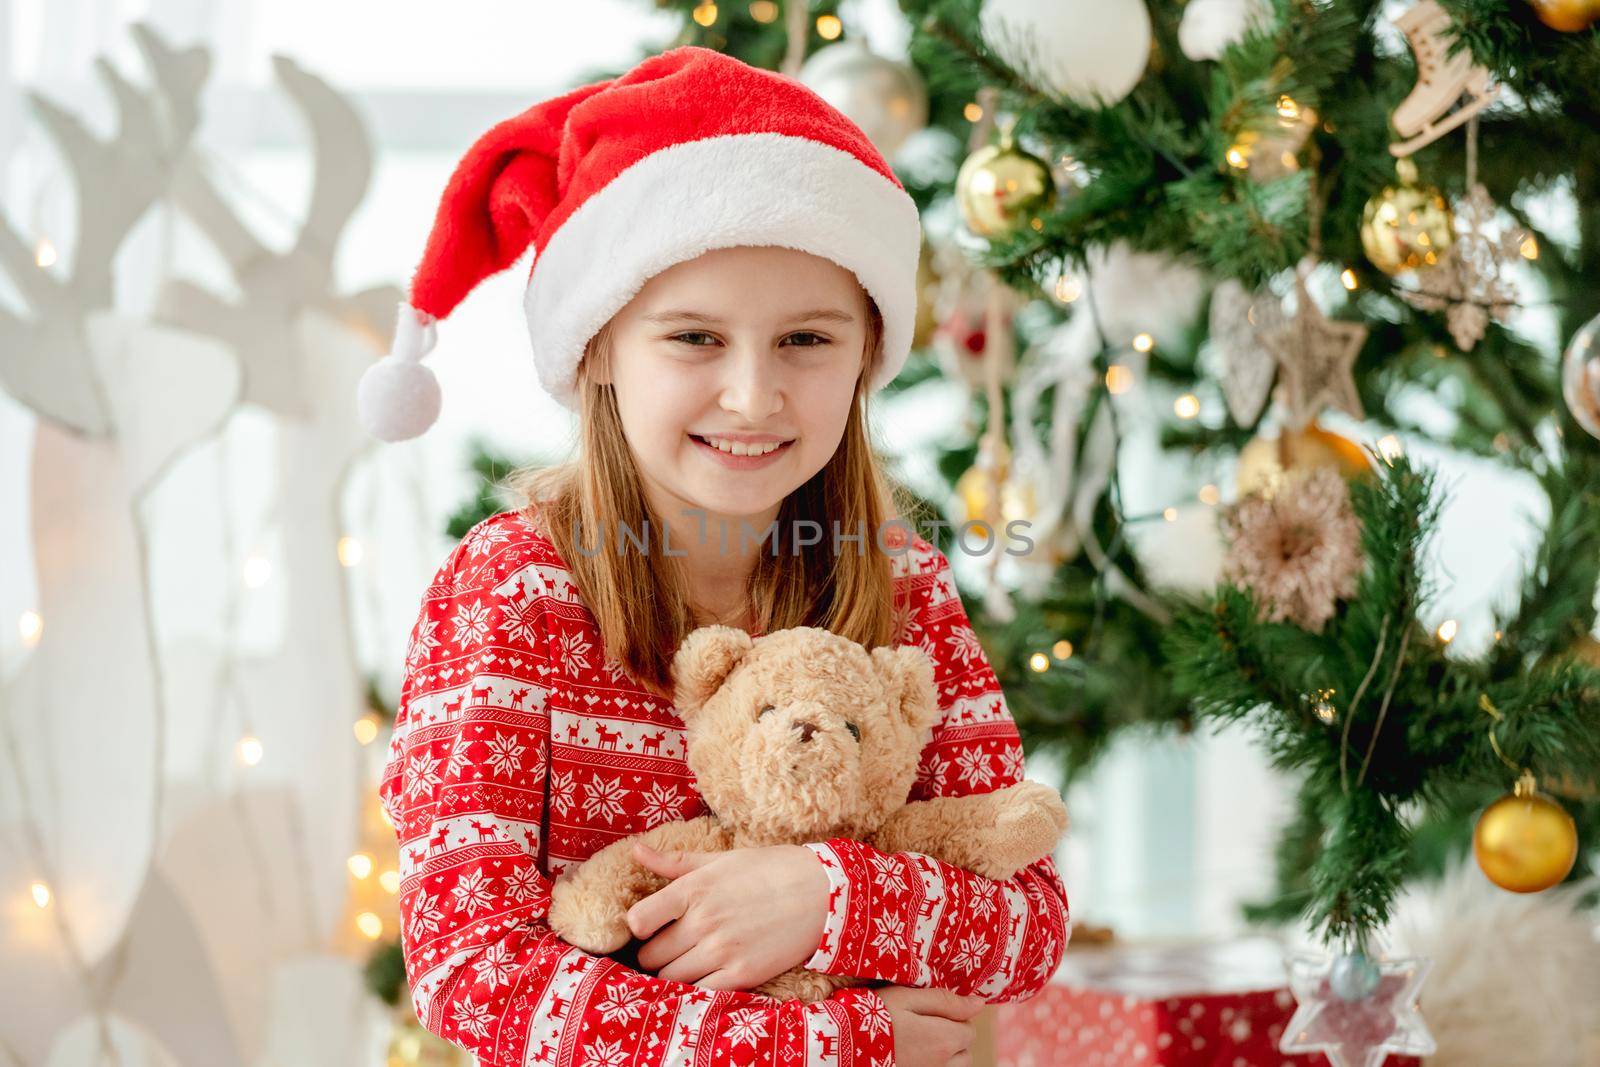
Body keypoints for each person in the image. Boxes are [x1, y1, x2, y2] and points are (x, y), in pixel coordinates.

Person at [369, 46, 1070, 1067]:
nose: (752, 395)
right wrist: (822, 1038)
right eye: (695, 338)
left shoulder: (898, 582)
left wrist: (825, 899)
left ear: (867, 351)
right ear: (600, 346)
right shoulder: (511, 591)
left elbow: (1028, 921)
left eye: (805, 341)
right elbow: (469, 967)